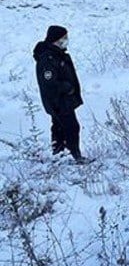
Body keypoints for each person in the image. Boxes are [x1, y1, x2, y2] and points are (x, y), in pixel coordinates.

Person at [33, 25, 89, 163]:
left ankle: (59, 154)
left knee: (59, 127)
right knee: (71, 127)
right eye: (64, 38)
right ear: (56, 39)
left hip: (63, 100)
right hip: (58, 101)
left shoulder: (58, 55)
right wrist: (67, 88)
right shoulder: (48, 59)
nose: (66, 40)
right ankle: (75, 156)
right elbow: (49, 83)